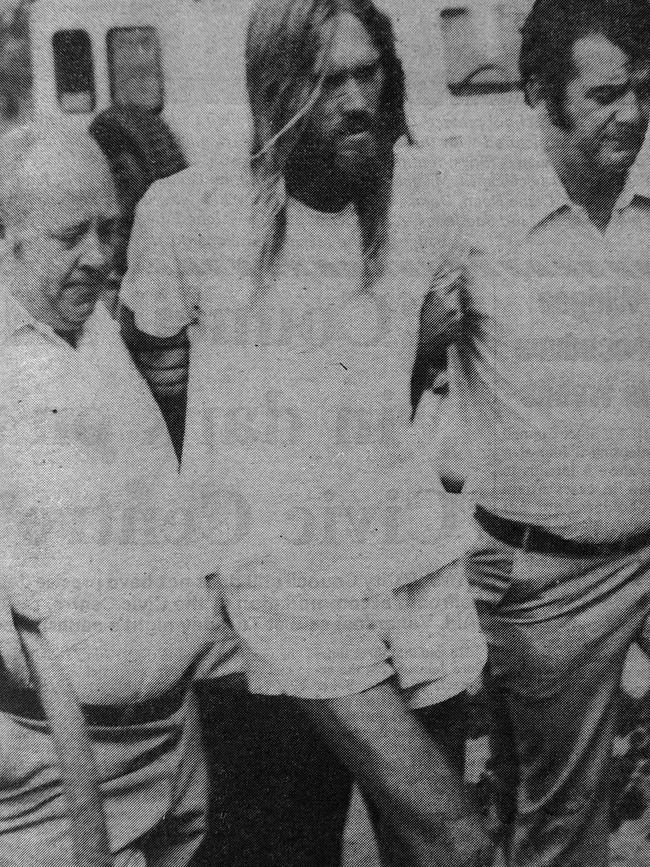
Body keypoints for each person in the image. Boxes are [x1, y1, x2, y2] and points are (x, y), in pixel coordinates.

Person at [119, 1, 492, 865]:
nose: (358, 100)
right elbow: (153, 373)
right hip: (291, 586)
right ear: (275, 88)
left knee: (417, 846)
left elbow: (396, 362)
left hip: (415, 565)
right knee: (459, 843)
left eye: (371, 74)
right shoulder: (189, 215)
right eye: (329, 80)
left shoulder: (427, 205)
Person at [421, 0, 650, 863]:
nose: (631, 113)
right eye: (605, 95)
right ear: (536, 93)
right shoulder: (470, 217)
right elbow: (388, 362)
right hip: (549, 584)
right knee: (562, 820)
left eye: (645, 90)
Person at [0, 125, 242, 867]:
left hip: (171, 755)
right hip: (53, 784)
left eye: (110, 229)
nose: (101, 257)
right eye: (71, 235)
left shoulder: (93, 327)